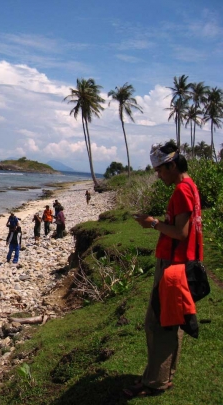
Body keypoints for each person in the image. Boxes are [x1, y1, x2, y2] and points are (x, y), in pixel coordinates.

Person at [125, 141, 203, 398]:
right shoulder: (190, 186)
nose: (158, 175)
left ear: (171, 165)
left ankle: (155, 381)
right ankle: (160, 376)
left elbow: (180, 233)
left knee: (157, 323)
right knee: (171, 321)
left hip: (174, 265)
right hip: (182, 263)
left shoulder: (182, 190)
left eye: (160, 170)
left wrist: (153, 223)